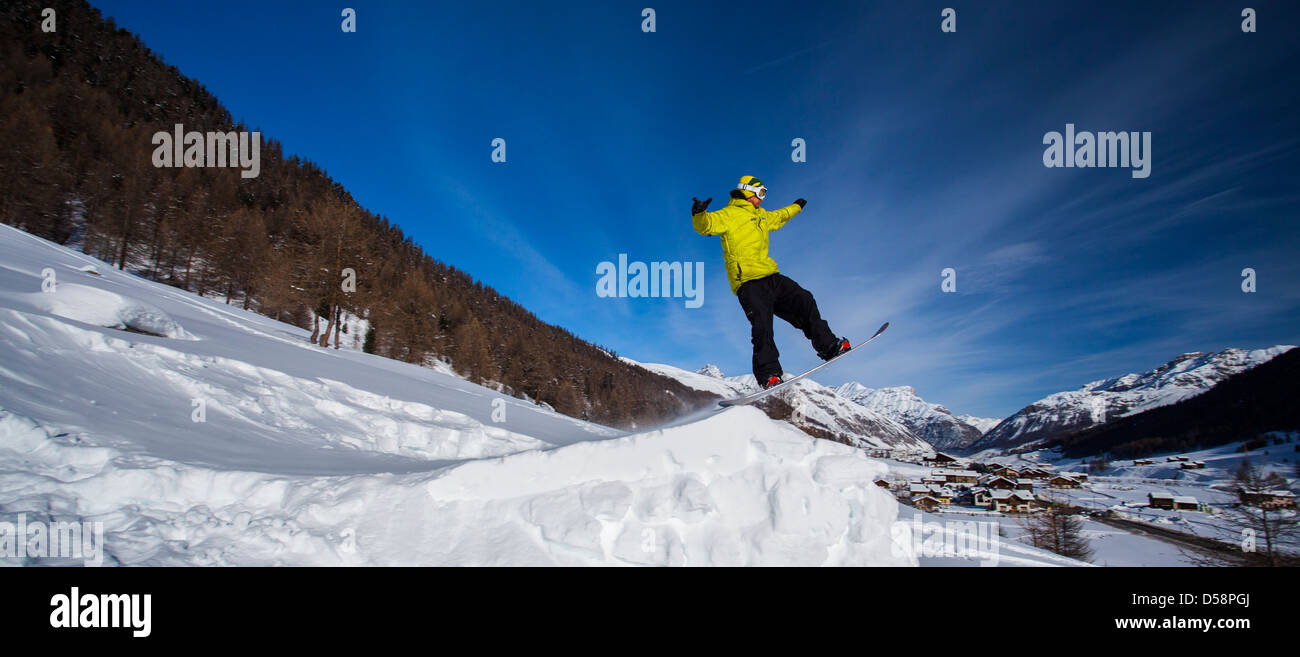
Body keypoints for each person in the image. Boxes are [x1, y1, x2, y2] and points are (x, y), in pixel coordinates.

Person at [691, 175, 850, 390]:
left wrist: (796, 207)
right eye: (761, 193)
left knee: (804, 300)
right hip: (748, 282)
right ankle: (769, 375)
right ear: (747, 192)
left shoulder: (762, 216)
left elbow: (780, 216)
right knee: (762, 326)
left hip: (771, 275)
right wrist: (699, 213)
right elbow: (706, 225)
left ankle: (829, 346)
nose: (762, 198)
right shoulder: (728, 214)